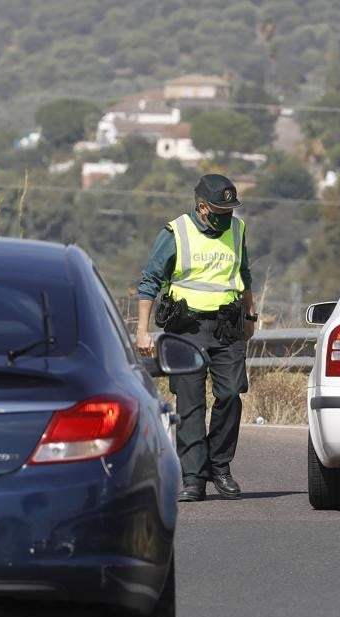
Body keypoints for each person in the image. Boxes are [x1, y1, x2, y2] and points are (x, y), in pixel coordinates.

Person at [136, 173, 257, 503]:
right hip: (185, 329)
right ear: (202, 207)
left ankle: (220, 467)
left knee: (231, 394)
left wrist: (250, 315)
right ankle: (193, 478)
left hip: (227, 326)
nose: (227, 216)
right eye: (220, 210)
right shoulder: (176, 232)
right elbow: (149, 282)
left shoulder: (237, 229)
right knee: (190, 405)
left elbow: (243, 274)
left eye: (231, 209)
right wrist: (142, 330)